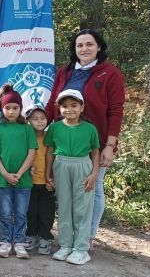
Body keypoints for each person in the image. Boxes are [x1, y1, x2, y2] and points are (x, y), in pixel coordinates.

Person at [45, 28, 125, 244]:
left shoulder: (110, 73)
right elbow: (53, 102)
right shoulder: (65, 72)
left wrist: (110, 145)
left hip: (95, 142)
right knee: (67, 190)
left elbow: (116, 111)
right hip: (64, 142)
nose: (84, 49)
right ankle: (68, 235)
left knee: (93, 187)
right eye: (79, 45)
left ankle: (86, 236)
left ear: (99, 47)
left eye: (89, 44)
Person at [45, 90, 101, 265]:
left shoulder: (90, 128)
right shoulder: (55, 127)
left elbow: (95, 152)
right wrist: (48, 173)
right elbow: (49, 151)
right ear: (59, 108)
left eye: (74, 105)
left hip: (82, 166)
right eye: (64, 106)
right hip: (61, 165)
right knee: (64, 205)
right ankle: (65, 245)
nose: (69, 109)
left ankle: (81, 249)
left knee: (82, 207)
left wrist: (94, 174)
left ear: (82, 107)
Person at [0, 85, 37, 259]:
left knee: (21, 213)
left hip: (23, 180)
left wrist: (19, 173)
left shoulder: (27, 129)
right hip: (3, 180)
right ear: (2, 109)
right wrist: (5, 174)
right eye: (7, 108)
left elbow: (32, 151)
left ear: (20, 109)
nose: (11, 111)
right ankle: (5, 242)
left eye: (15, 108)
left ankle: (19, 242)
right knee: (6, 213)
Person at [24, 104, 55, 255]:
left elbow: (55, 157)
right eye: (35, 118)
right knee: (31, 211)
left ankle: (44, 238)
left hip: (47, 182)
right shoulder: (25, 137)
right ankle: (31, 235)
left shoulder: (50, 137)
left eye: (42, 118)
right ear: (28, 120)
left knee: (46, 212)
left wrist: (53, 178)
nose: (40, 121)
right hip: (30, 182)